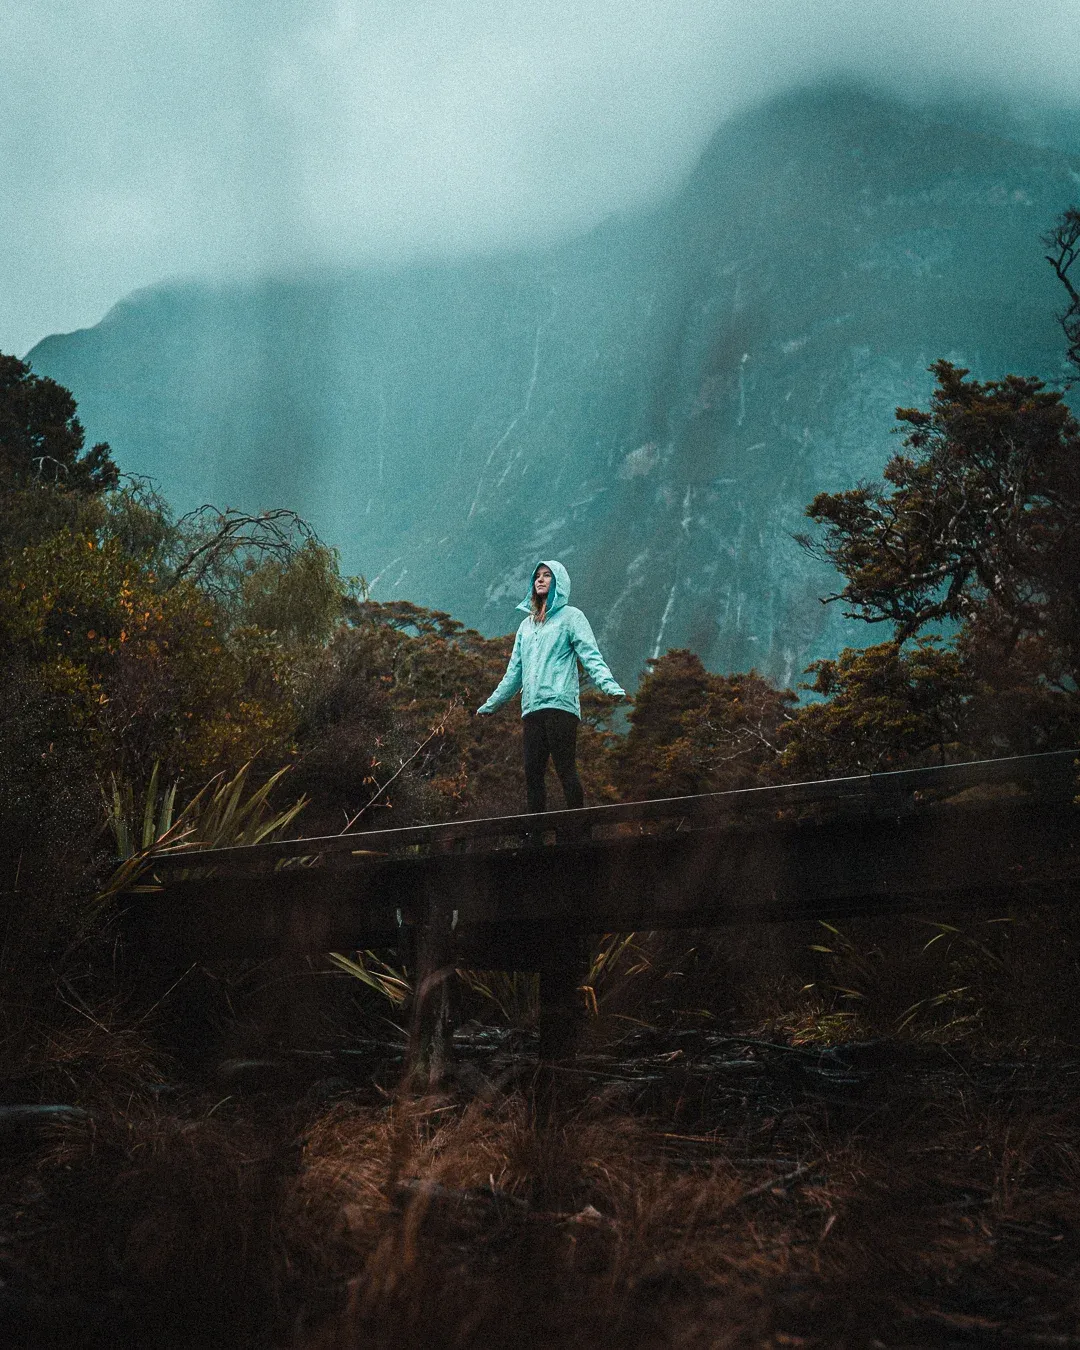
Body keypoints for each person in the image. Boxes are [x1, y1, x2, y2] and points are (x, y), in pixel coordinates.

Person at [476, 560, 625, 813]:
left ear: (559, 582)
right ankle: (535, 839)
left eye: (547, 575)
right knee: (532, 775)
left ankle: (578, 830)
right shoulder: (526, 626)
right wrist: (491, 705)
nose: (540, 579)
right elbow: (514, 673)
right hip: (532, 710)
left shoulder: (572, 617)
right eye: (537, 576)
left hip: (560, 707)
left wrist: (610, 687)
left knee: (565, 769)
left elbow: (591, 656)